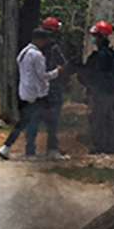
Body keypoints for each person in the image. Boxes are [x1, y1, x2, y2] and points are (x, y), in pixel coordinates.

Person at [0, 28, 61, 160]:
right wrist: (56, 72)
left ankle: (10, 147)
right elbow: (43, 75)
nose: (45, 42)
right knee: (48, 121)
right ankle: (51, 149)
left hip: (25, 92)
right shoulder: (37, 55)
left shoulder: (23, 52)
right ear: (38, 40)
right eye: (44, 39)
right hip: (36, 94)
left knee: (25, 122)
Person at [79, 21, 114, 154]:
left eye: (96, 36)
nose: (94, 39)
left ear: (101, 38)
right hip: (112, 91)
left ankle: (100, 146)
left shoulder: (100, 56)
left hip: (101, 92)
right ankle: (109, 145)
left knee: (99, 118)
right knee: (109, 118)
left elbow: (94, 74)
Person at [39, 16, 69, 158]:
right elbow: (63, 65)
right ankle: (51, 147)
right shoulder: (54, 48)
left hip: (38, 86)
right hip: (52, 86)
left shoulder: (35, 47)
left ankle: (31, 147)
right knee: (53, 118)